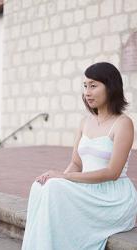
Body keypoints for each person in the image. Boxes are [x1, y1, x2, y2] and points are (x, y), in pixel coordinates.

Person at [21, 62, 137, 250]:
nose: (87, 92)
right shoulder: (85, 122)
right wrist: (56, 178)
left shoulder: (123, 123)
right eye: (85, 86)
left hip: (112, 197)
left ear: (111, 87)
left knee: (54, 188)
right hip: (87, 189)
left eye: (93, 85)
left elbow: (112, 172)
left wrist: (64, 178)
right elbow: (76, 162)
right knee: (41, 186)